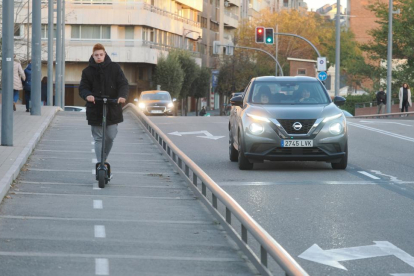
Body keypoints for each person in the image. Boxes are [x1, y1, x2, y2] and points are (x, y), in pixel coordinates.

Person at [79, 43, 129, 169]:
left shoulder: (115, 68)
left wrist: (122, 96)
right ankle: (101, 164)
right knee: (98, 138)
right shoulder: (87, 71)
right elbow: (83, 88)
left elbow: (123, 84)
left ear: (105, 54)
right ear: (93, 56)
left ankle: (103, 158)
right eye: (96, 55)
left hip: (112, 107)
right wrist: (88, 95)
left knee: (111, 136)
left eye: (101, 54)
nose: (99, 57)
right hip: (95, 108)